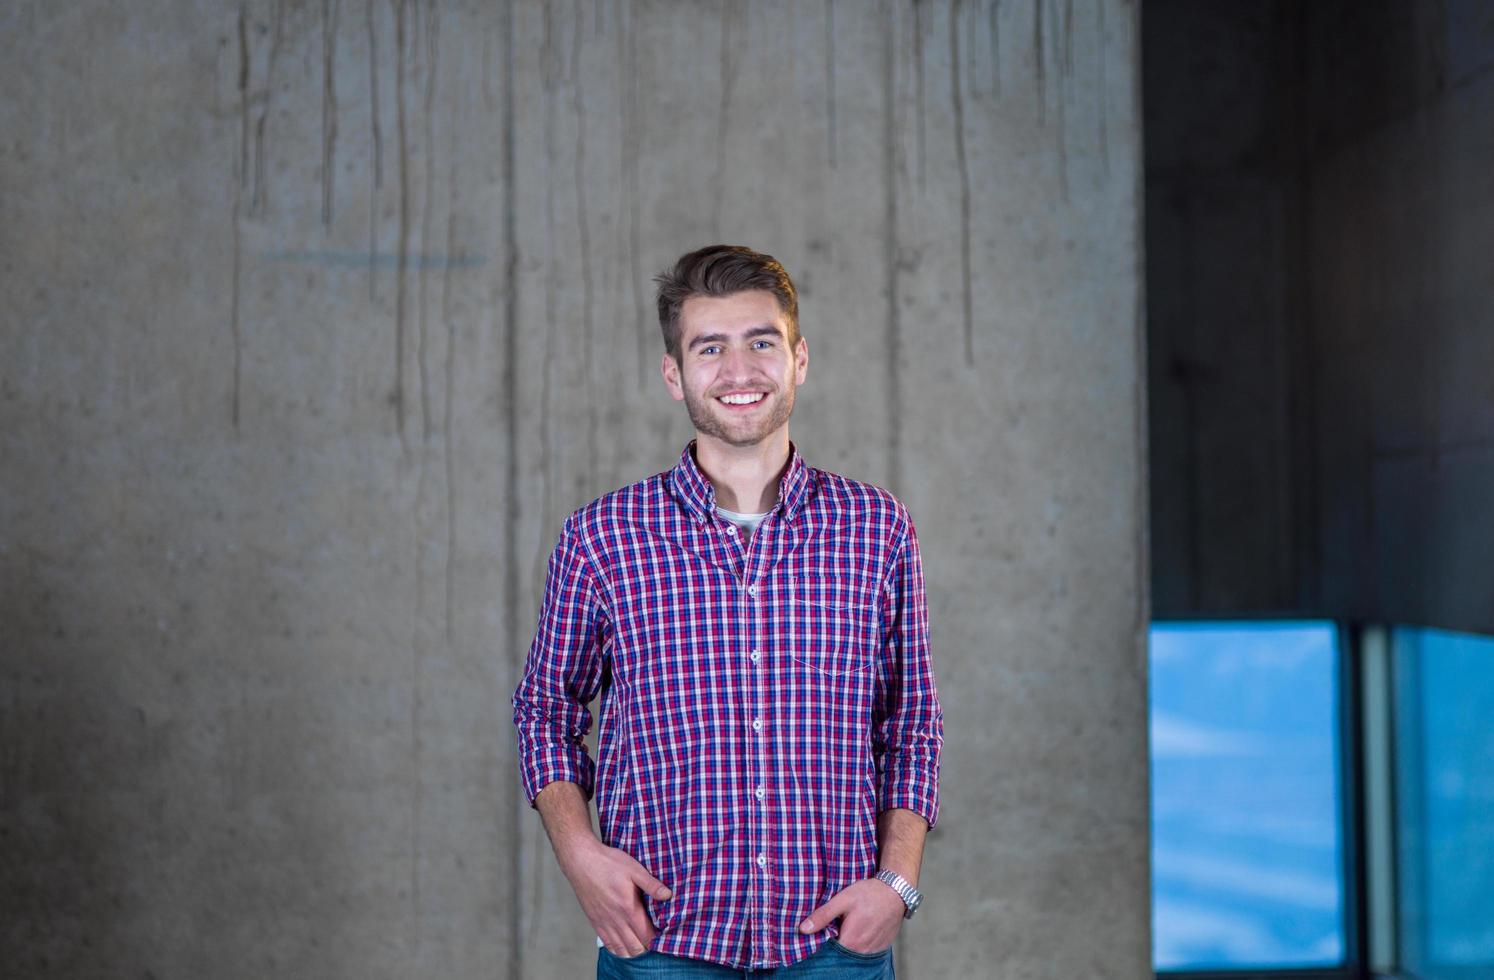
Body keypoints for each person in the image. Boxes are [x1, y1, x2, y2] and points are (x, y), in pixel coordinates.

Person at [512, 244, 943, 978]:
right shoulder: (602, 538)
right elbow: (544, 712)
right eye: (710, 348)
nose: (739, 372)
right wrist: (581, 859)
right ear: (674, 373)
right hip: (663, 944)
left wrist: (897, 885)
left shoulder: (878, 529)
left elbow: (911, 723)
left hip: (833, 947)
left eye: (761, 343)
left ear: (799, 359)